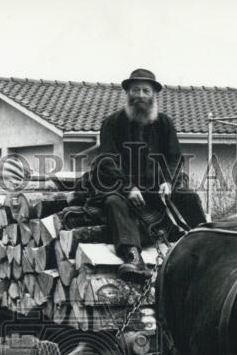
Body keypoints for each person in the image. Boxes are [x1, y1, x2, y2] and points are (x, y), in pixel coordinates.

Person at [88, 68, 207, 281]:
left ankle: (206, 246)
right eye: (136, 90)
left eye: (145, 90)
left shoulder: (164, 123)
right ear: (128, 94)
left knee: (189, 197)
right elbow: (107, 160)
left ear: (154, 95)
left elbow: (174, 158)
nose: (140, 95)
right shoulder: (112, 123)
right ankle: (133, 255)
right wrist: (128, 187)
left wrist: (167, 182)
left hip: (157, 187)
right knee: (114, 202)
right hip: (120, 187)